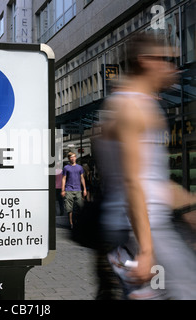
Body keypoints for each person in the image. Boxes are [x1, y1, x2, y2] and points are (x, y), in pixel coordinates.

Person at [94, 31, 196, 299]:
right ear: (147, 61)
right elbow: (132, 181)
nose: (173, 68)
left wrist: (189, 208)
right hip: (142, 229)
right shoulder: (131, 107)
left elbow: (151, 178)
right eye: (168, 60)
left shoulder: (130, 105)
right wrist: (147, 250)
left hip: (140, 227)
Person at [61, 152, 87, 228]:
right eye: (71, 157)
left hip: (78, 189)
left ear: (76, 157)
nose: (73, 158)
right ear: (69, 159)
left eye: (74, 157)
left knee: (80, 206)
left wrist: (84, 189)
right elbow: (63, 179)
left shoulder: (80, 167)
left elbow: (82, 178)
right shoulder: (66, 167)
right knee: (69, 209)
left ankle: (79, 221)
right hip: (69, 189)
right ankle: (71, 223)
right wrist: (63, 190)